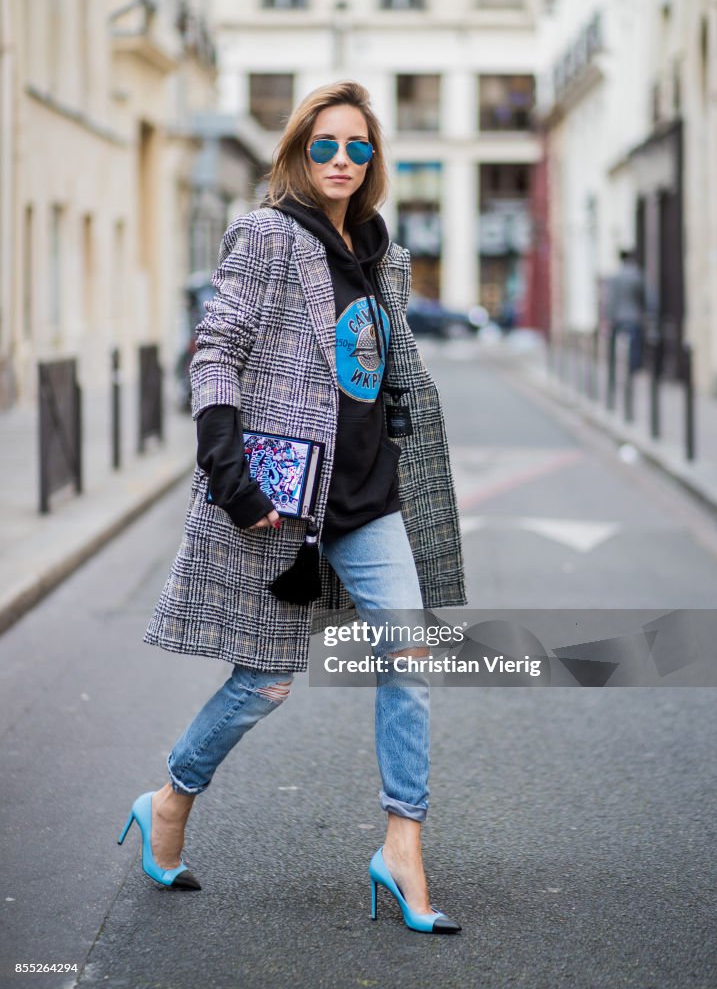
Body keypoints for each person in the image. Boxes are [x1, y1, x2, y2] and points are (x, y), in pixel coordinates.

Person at [118, 81, 466, 934]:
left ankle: (401, 845)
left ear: (373, 159)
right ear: (297, 155)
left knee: (408, 658)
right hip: (285, 500)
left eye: (357, 147)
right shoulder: (267, 236)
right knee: (266, 680)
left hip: (371, 495)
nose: (342, 160)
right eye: (325, 146)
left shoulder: (380, 249)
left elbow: (382, 365)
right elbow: (215, 352)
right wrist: (227, 472)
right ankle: (169, 796)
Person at [605, 249, 647, 373]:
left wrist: (609, 317)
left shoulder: (615, 277)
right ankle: (633, 369)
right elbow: (645, 296)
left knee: (613, 345)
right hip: (633, 316)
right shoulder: (637, 276)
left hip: (618, 317)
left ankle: (613, 368)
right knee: (635, 345)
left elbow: (611, 299)